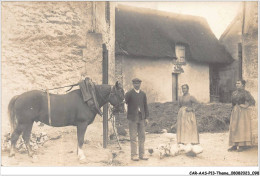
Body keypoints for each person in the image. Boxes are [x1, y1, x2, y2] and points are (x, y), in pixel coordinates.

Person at [125, 78, 149, 161]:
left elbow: (145, 106)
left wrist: (146, 117)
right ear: (133, 84)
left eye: (138, 83)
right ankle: (134, 155)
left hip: (141, 118)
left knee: (142, 137)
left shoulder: (143, 94)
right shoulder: (129, 94)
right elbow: (124, 103)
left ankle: (142, 155)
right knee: (133, 137)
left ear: (140, 84)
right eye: (135, 83)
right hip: (132, 118)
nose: (137, 85)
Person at [228, 80, 255, 152]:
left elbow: (252, 101)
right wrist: (232, 110)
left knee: (241, 127)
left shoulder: (246, 93)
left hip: (243, 112)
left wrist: (246, 105)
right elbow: (232, 103)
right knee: (234, 127)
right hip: (235, 111)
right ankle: (234, 145)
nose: (237, 85)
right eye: (236, 83)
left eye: (239, 83)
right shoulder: (234, 93)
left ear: (243, 85)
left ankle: (242, 145)